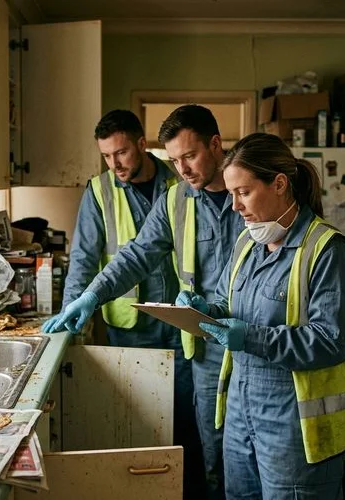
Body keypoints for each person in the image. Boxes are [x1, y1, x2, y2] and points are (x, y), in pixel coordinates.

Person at [45, 105, 243, 499]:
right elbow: (134, 256)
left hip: (254, 344)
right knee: (210, 452)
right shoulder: (177, 200)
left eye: (190, 156)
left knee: (246, 457)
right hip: (201, 344)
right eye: (175, 160)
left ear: (217, 145)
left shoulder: (249, 192)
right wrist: (89, 297)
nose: (183, 170)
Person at [187, 133, 345, 499]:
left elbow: (332, 341)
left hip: (295, 430)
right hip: (241, 418)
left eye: (244, 192)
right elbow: (226, 303)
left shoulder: (329, 251)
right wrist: (204, 310)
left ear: (280, 184)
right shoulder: (247, 244)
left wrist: (250, 337)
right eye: (232, 193)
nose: (234, 206)